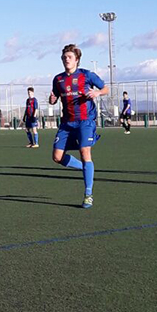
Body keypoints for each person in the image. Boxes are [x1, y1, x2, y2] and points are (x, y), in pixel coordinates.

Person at [48, 44, 109, 208]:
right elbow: (54, 96)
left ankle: (88, 194)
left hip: (85, 121)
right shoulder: (58, 79)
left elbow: (105, 88)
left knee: (85, 151)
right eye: (64, 57)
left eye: (69, 57)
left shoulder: (86, 75)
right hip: (67, 123)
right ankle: (84, 167)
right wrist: (52, 100)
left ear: (77, 60)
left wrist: (97, 92)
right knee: (57, 157)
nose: (66, 60)